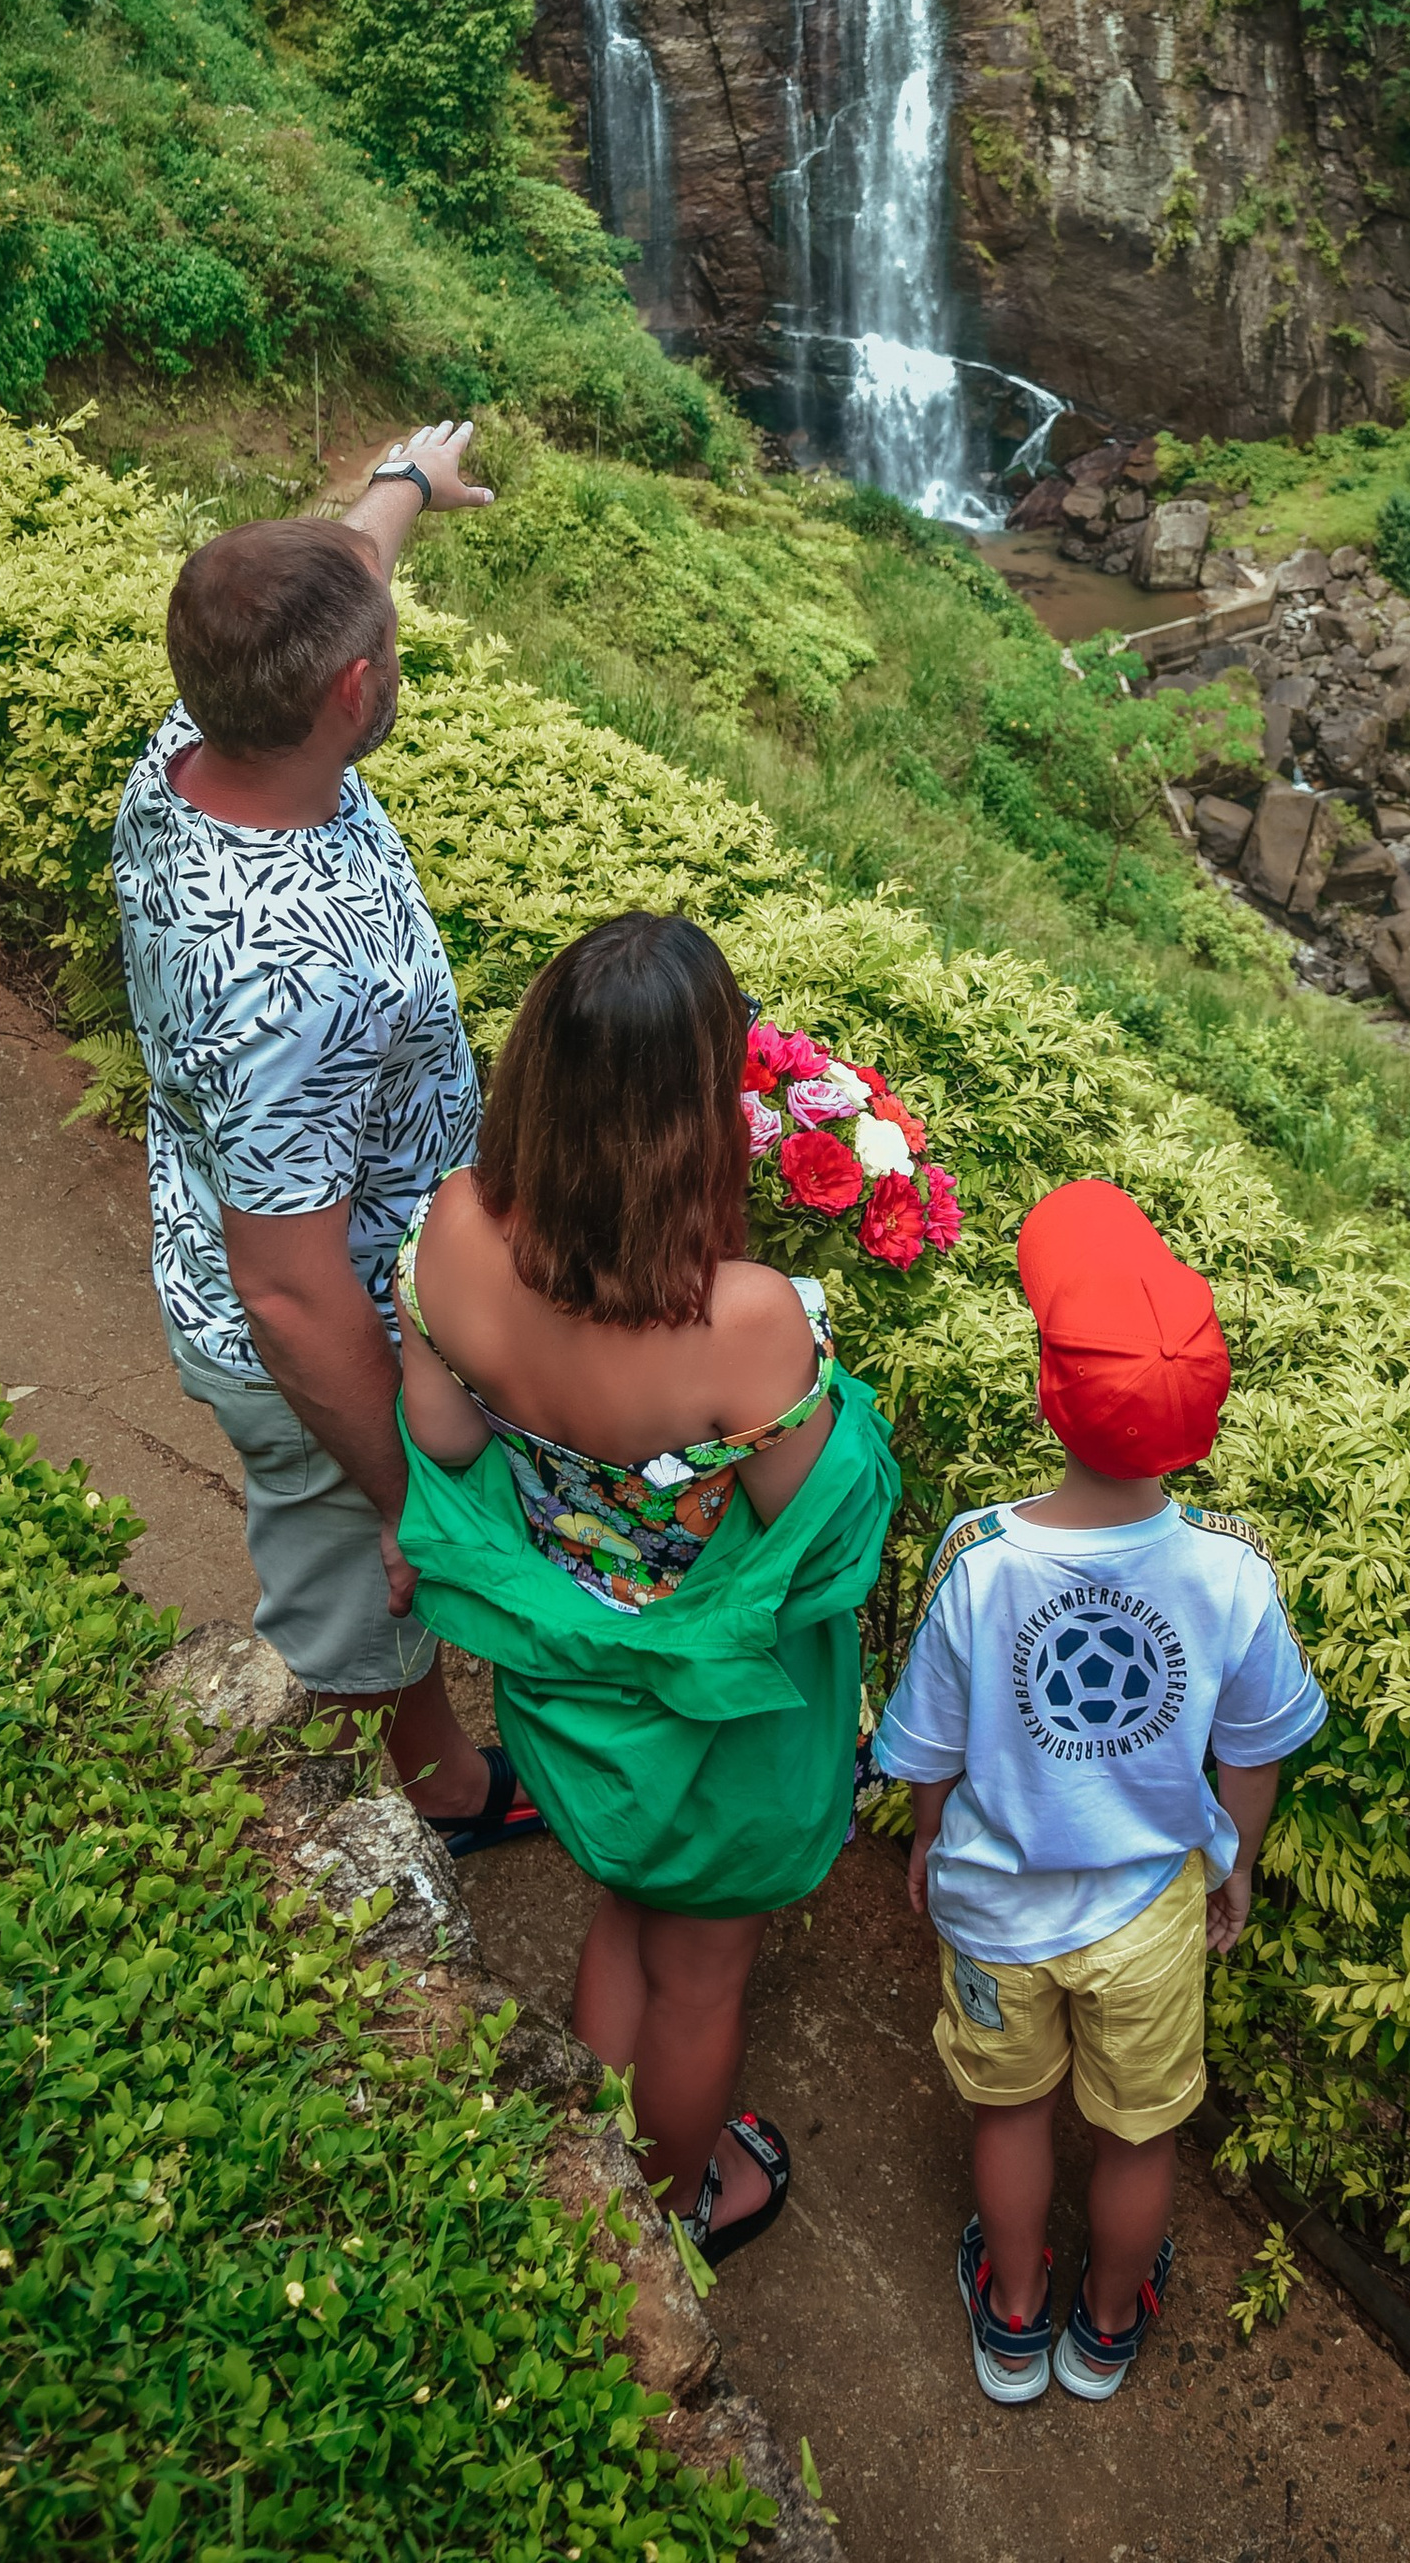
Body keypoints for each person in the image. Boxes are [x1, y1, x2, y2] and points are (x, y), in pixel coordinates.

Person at [390, 912, 899, 2260]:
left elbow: (444, 1443)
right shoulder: (750, 1320)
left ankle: (583, 2165)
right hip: (709, 1716)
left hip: (566, 1683)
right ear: (702, 1116)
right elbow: (815, 1528)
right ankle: (660, 2220)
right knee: (701, 1971)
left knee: (626, 1899)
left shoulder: (451, 1230)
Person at [111, 421, 534, 1853]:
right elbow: (291, 1293)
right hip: (321, 1332)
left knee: (368, 1561)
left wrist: (409, 483)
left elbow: (334, 574)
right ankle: (419, 1821)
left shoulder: (193, 746)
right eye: (387, 646)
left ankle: (447, 1770)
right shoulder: (285, 977)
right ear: (353, 690)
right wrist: (413, 1493)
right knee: (359, 1579)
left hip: (299, 1244)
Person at [872, 1178, 1328, 2408]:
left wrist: (927, 1844)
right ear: (1202, 1423)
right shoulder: (1229, 1571)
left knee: (1010, 2112)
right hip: (1146, 1913)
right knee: (1139, 2132)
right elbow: (1255, 1748)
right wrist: (1232, 1859)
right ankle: (1109, 2323)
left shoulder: (981, 1553)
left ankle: (1014, 2316)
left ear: (1045, 1395)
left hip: (999, 1903)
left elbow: (928, 1745)